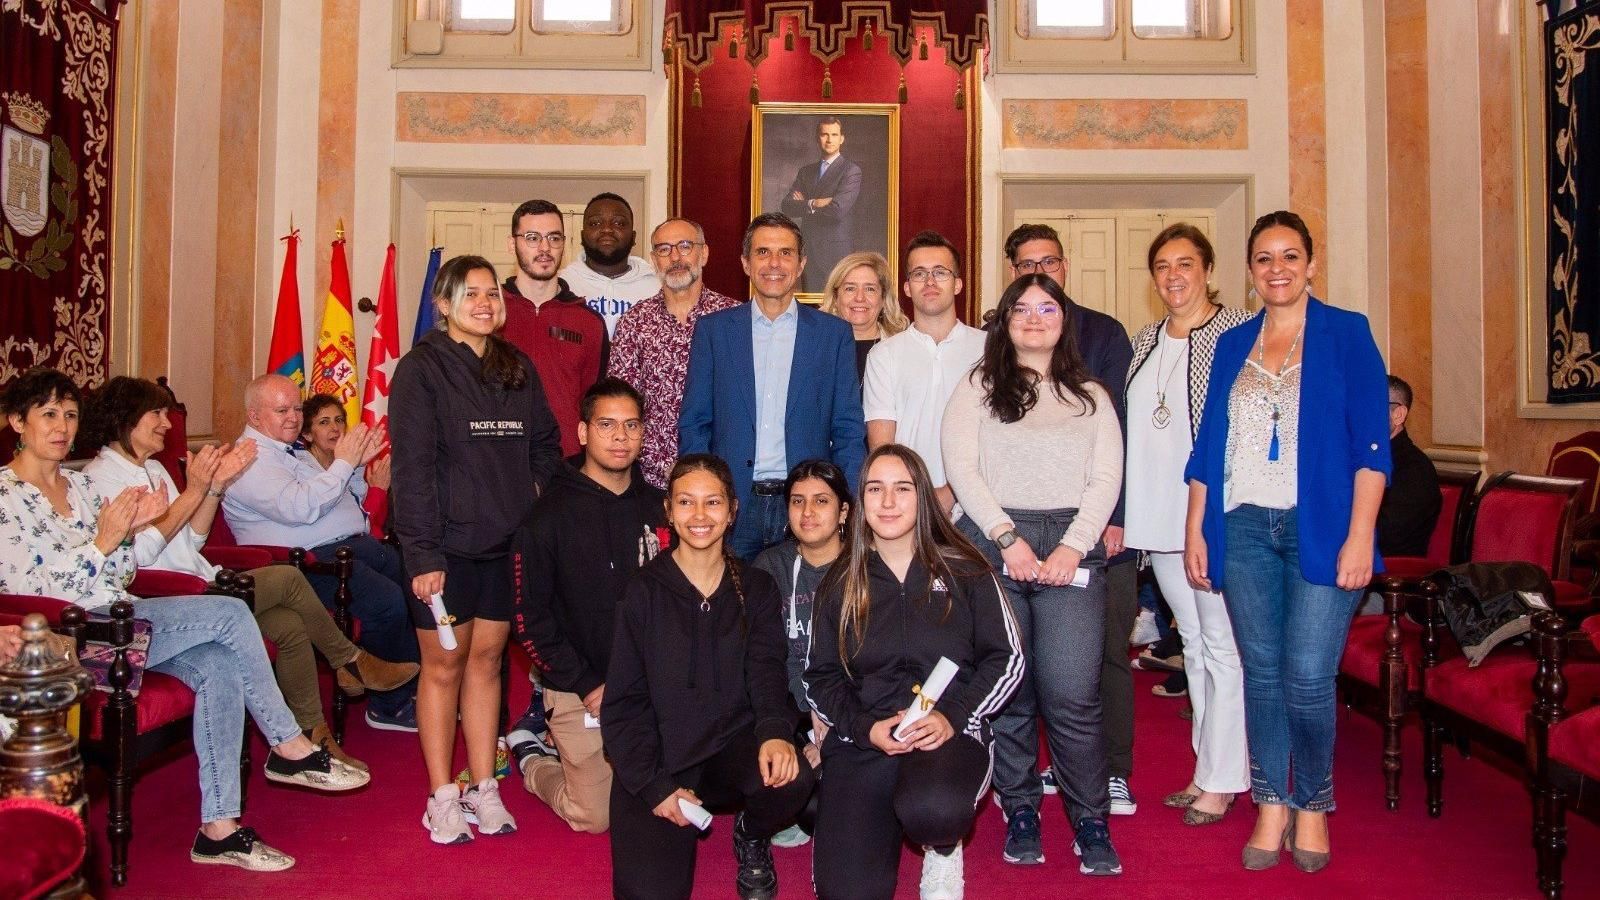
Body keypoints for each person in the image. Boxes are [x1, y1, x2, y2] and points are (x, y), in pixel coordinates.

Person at [0, 367, 367, 872]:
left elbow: (126, 568)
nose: (62, 426)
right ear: (17, 421)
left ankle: (219, 830)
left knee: (218, 661)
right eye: (48, 415)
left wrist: (131, 533)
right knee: (230, 612)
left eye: (69, 414)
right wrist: (105, 542)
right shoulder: (5, 498)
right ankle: (287, 744)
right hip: (71, 646)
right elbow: (40, 597)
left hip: (120, 616)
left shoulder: (81, 488)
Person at [1184, 210, 1390, 873]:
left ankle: (1314, 805)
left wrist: (1361, 536)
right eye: (1265, 258)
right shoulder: (1232, 343)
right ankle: (1272, 801)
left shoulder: (1346, 334)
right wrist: (1197, 528)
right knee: (1263, 676)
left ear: (1310, 263)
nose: (1278, 268)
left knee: (1307, 675)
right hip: (1242, 528)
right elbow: (1209, 447)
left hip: (1322, 530)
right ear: (1250, 271)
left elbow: (1371, 447)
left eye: (1290, 256)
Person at [80, 377, 419, 773]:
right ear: (125, 419)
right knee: (290, 579)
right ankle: (349, 661)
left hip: (202, 576)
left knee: (291, 625)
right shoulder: (98, 478)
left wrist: (212, 490)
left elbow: (193, 539)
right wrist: (196, 492)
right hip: (168, 594)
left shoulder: (154, 468)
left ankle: (315, 736)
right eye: (156, 414)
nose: (168, 424)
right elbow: (136, 562)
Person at [943, 273, 1125, 875]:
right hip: (997, 544)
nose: (1035, 318)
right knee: (1011, 692)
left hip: (1073, 548)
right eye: (1021, 308)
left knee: (1073, 695)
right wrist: (1006, 538)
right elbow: (961, 469)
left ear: (1064, 318)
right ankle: (1020, 808)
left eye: (1047, 307)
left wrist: (1073, 547)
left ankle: (1089, 818)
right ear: (1004, 319)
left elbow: (1106, 480)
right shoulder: (977, 387)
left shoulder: (1092, 395)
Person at [390, 254, 564, 845]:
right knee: (443, 667)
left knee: (489, 664)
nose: (486, 303)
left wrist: (535, 502)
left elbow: (545, 443)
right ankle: (442, 795)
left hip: (506, 545)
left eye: (493, 293)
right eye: (471, 294)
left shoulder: (518, 366)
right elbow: (411, 470)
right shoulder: (421, 370)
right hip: (444, 550)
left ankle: (485, 788)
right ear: (443, 305)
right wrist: (422, 556)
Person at [804, 444, 1023, 900]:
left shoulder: (967, 568)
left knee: (935, 812)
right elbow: (820, 675)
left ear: (922, 497)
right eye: (875, 490)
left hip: (946, 735)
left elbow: (1007, 658)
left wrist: (954, 716)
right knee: (845, 892)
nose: (888, 502)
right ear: (859, 504)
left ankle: (943, 851)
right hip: (867, 740)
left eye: (902, 489)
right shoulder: (839, 582)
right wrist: (863, 728)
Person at [603, 454, 815, 900]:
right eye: (686, 502)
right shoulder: (642, 591)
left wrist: (777, 732)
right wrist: (656, 788)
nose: (700, 516)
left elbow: (766, 672)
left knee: (793, 777)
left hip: (728, 749)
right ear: (669, 511)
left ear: (733, 510)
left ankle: (752, 832)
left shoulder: (755, 587)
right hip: (660, 758)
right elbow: (623, 706)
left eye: (713, 502)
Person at [1005, 222, 1139, 815]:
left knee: (1099, 653)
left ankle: (1109, 771)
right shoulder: (1000, 334)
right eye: (1028, 263)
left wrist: (1116, 516)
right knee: (1024, 658)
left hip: (1093, 520)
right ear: (1013, 272)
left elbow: (1120, 431)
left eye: (1051, 262)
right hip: (1015, 526)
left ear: (1064, 267)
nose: (1041, 271)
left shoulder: (1103, 333)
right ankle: (1030, 773)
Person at [1122, 224, 1253, 825]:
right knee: (1194, 646)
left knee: (1222, 646)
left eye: (1186, 264)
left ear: (1208, 269)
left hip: (1210, 516)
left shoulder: (1235, 332)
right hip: (1158, 517)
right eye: (1163, 267)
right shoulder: (1146, 337)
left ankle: (1224, 780)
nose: (1174, 276)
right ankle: (1207, 769)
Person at [510, 377, 665, 833]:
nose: (620, 437)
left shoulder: (662, 509)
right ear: (582, 433)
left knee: (660, 792)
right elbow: (528, 620)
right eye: (607, 425)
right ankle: (532, 755)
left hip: (650, 686)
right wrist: (588, 684)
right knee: (597, 817)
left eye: (631, 425)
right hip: (581, 687)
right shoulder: (545, 517)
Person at [226, 374, 421, 732]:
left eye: (297, 408)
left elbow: (343, 499)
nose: (294, 417)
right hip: (302, 565)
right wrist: (343, 464)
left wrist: (356, 464)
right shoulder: (247, 461)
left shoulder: (291, 452)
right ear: (254, 417)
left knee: (414, 586)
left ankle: (414, 688)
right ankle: (388, 707)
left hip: (350, 549)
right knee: (388, 601)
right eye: (282, 410)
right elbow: (300, 508)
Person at [680, 213, 866, 559]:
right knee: (734, 610)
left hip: (804, 505)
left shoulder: (833, 334)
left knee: (806, 608)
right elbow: (694, 422)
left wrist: (848, 500)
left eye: (786, 253)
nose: (774, 263)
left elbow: (848, 429)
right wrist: (703, 493)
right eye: (763, 252)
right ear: (746, 264)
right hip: (733, 504)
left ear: (801, 264)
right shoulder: (715, 331)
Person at [608, 217, 740, 489]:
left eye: (685, 246)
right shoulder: (634, 322)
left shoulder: (735, 319)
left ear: (703, 253)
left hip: (722, 476)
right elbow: (621, 402)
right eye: (664, 249)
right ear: (654, 259)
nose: (676, 257)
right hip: (650, 480)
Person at [863, 230, 986, 518]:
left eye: (940, 272)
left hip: (979, 506)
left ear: (957, 284)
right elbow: (882, 446)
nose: (929, 282)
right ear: (907, 288)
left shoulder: (989, 349)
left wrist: (952, 491)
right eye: (919, 274)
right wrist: (915, 496)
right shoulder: (884, 355)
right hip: (907, 506)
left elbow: (997, 434)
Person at [751, 460, 852, 771]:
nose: (807, 512)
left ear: (844, 512)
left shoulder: (865, 566)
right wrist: (811, 713)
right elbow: (768, 656)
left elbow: (873, 664)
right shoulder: (770, 566)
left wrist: (832, 722)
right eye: (798, 501)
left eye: (821, 501)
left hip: (852, 705)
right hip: (790, 703)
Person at [500, 198, 609, 458]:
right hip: (499, 463)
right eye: (532, 237)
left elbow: (594, 404)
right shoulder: (488, 313)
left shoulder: (589, 322)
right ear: (511, 243)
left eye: (554, 238)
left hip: (567, 464)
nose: (545, 248)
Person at [779, 117, 863, 294]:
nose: (829, 139)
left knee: (836, 306)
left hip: (836, 252)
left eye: (834, 134)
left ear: (842, 139)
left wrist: (804, 204)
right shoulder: (806, 171)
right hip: (809, 250)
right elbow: (787, 205)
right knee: (811, 308)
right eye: (825, 134)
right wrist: (814, 202)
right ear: (818, 138)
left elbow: (837, 211)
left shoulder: (850, 170)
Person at [559, 192, 661, 337]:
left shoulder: (657, 288)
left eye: (619, 223)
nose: (607, 229)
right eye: (595, 223)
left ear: (633, 237)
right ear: (582, 236)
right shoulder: (562, 285)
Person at [301, 393, 392, 538]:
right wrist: (378, 491)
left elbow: (361, 513)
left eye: (339, 420)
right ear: (307, 434)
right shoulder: (301, 467)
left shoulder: (346, 463)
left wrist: (358, 465)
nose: (335, 428)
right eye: (324, 422)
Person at [1376, 375, 1441, 558]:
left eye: (1370, 405)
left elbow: (1388, 536)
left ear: (1398, 415)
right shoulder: (1361, 458)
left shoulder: (1414, 469)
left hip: (1391, 573)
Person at [818, 251, 907, 381]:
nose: (860, 298)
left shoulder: (903, 349)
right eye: (850, 288)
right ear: (836, 297)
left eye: (870, 289)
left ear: (883, 299)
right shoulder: (816, 348)